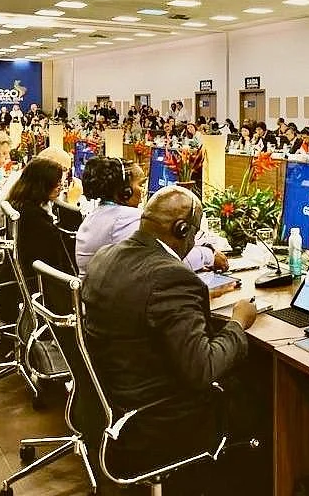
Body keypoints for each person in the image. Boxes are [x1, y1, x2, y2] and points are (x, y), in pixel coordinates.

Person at [81, 186, 257, 494]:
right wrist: (238, 323)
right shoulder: (170, 277)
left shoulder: (106, 256)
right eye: (195, 233)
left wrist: (195, 299)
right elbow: (203, 368)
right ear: (182, 229)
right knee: (257, 389)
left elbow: (142, 306)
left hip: (108, 401)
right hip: (158, 420)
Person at [76, 157, 224, 274]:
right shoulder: (126, 220)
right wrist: (209, 256)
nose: (143, 191)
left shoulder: (98, 215)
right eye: (140, 184)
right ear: (125, 191)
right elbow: (169, 262)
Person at [0, 148, 77, 258]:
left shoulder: (23, 187)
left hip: (9, 257)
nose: (64, 177)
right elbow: (60, 242)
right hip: (14, 259)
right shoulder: (32, 213)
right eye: (64, 170)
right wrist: (72, 203)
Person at [6, 157, 76, 284]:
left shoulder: (19, 204)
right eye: (57, 183)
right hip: (41, 281)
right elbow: (60, 251)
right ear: (43, 185)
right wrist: (73, 203)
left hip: (24, 276)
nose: (60, 188)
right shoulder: (35, 219)